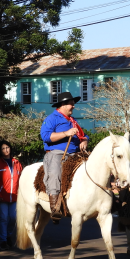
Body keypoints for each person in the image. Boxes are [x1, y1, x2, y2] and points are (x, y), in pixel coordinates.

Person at [40, 90, 88, 221]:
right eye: (71, 104)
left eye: (73, 103)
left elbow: (83, 134)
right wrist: (66, 133)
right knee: (54, 173)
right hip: (57, 153)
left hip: (75, 154)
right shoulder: (51, 119)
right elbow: (45, 136)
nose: (73, 106)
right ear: (62, 105)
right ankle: (55, 207)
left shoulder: (73, 120)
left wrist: (84, 140)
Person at [0, 140, 23, 250]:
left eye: (7, 147)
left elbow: (22, 179)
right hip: (1, 197)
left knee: (13, 218)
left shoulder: (17, 163)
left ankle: (8, 236)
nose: (6, 150)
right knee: (3, 218)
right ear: (0, 150)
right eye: (3, 148)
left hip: (15, 196)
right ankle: (3, 240)